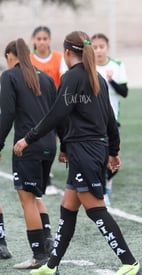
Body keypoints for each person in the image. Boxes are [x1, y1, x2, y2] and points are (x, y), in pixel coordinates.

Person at [14, 30, 142, 275]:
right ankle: (51, 267)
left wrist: (28, 138)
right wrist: (113, 150)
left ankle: (129, 262)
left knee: (96, 210)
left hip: (85, 151)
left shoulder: (72, 77)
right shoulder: (97, 77)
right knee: (68, 208)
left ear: (68, 52)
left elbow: (57, 114)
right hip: (88, 149)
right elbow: (110, 119)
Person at [0, 38, 56, 269]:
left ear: (9, 57)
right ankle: (48, 242)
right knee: (35, 197)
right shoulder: (46, 77)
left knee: (27, 201)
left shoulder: (9, 77)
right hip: (49, 146)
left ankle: (39, 256)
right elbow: (56, 113)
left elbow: (7, 114)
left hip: (26, 146)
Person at [91, 33, 129, 206]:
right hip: (92, 121)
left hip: (112, 121)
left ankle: (106, 184)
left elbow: (124, 92)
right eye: (95, 47)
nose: (98, 50)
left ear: (107, 47)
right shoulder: (88, 67)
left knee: (113, 158)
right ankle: (102, 190)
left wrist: (110, 80)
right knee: (97, 158)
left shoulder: (117, 65)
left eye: (101, 46)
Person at [30, 25, 68, 196]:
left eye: (45, 39)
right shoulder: (29, 59)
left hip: (55, 106)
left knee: (58, 139)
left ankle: (50, 174)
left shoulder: (59, 58)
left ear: (50, 40)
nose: (42, 42)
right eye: (39, 39)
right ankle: (46, 178)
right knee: (40, 139)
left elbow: (63, 81)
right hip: (36, 107)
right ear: (33, 41)